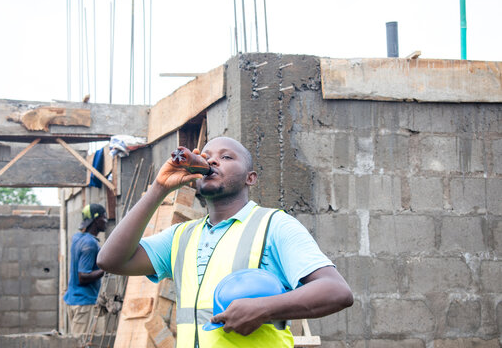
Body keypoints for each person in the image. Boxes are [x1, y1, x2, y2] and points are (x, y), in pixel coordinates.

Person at [97, 137, 353, 347]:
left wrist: (264, 308)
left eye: (227, 157)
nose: (212, 161)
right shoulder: (181, 236)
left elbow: (336, 291)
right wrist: (159, 188)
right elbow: (110, 260)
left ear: (249, 178)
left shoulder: (274, 225)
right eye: (207, 157)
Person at [64, 203, 107, 335]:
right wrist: (105, 270)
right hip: (83, 302)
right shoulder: (90, 244)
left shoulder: (77, 238)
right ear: (96, 220)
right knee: (80, 343)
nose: (106, 221)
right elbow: (83, 277)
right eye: (104, 217)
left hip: (73, 299)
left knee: (77, 340)